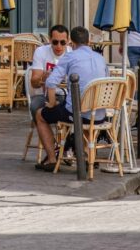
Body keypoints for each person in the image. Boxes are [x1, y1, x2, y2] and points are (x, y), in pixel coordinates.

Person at [34, 25, 108, 172]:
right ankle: (87, 156)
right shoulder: (101, 59)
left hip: (76, 114)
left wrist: (52, 103)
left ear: (71, 43)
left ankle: (51, 159)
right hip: (100, 115)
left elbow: (50, 82)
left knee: (40, 115)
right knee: (86, 115)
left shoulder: (70, 56)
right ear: (89, 41)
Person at [28, 24, 70, 115]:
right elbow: (34, 84)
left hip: (66, 95)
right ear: (50, 40)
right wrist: (44, 77)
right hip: (44, 95)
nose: (59, 46)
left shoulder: (71, 54)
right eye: (55, 42)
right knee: (34, 106)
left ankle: (64, 128)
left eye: (62, 42)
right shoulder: (41, 51)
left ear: (68, 41)